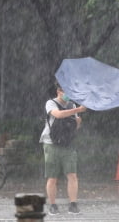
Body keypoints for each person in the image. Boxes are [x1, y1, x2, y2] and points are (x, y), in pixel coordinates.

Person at [39, 83, 87, 215]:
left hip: (68, 143)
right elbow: (58, 115)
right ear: (59, 91)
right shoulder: (50, 103)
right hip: (51, 143)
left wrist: (78, 122)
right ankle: (53, 205)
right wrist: (78, 110)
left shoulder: (72, 105)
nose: (68, 95)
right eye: (65, 91)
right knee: (52, 177)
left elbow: (75, 126)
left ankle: (73, 204)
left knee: (72, 175)